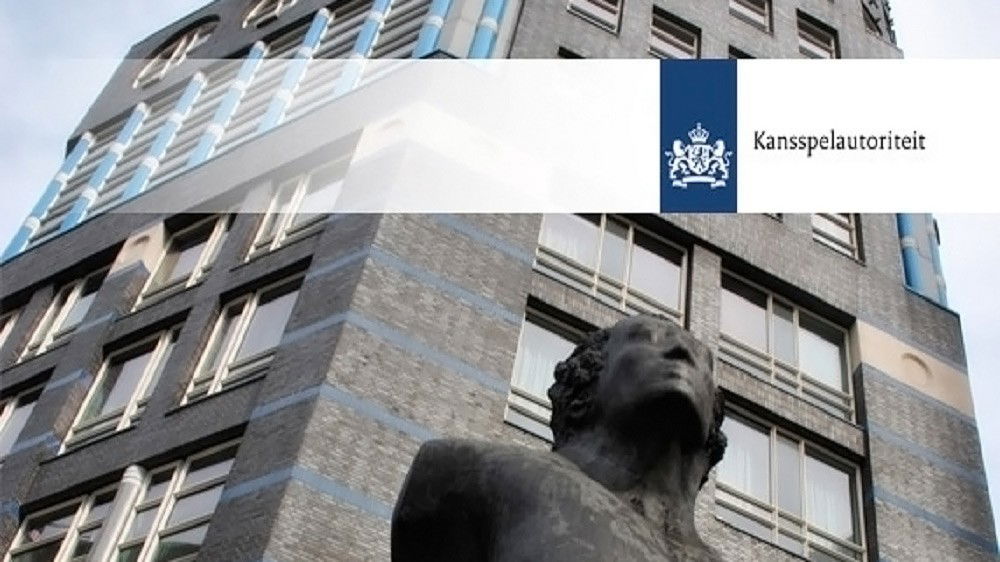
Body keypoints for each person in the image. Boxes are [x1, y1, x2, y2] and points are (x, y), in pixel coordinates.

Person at [391, 314, 727, 561]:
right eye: (647, 338)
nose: (681, 351)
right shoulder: (462, 473)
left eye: (702, 360)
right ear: (585, 381)